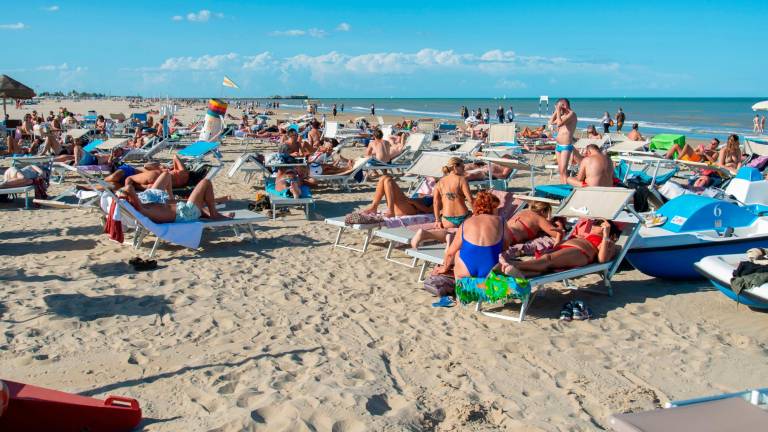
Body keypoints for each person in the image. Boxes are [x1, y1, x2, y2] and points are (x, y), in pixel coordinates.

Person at [500, 218, 620, 277]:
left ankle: (513, 265)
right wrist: (559, 236)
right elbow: (559, 247)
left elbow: (602, 260)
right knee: (544, 266)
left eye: (599, 224)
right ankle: (518, 272)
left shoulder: (609, 242)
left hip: (580, 253)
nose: (594, 224)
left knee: (547, 259)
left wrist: (606, 235)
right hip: (566, 249)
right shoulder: (586, 236)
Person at [434, 191, 509, 279]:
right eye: (496, 207)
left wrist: (444, 268)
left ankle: (460, 287)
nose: (498, 210)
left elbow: (450, 253)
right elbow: (506, 245)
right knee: (502, 254)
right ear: (492, 207)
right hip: (491, 269)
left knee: (458, 252)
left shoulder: (466, 223)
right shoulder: (501, 221)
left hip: (466, 270)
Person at [117, 172, 231, 223]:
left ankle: (213, 212)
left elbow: (129, 190)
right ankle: (214, 214)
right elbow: (129, 188)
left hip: (182, 212)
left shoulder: (143, 207)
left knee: (191, 200)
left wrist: (121, 195)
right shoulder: (141, 208)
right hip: (185, 213)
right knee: (205, 182)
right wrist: (124, 192)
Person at [362, 175, 433, 217]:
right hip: (405, 205)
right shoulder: (426, 190)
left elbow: (429, 210)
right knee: (383, 178)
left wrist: (414, 202)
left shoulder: (437, 196)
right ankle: (374, 207)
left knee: (388, 180)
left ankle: (390, 211)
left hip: (411, 209)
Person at [433, 157, 472, 228]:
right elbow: (470, 200)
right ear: (455, 167)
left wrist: (437, 220)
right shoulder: (462, 180)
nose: (464, 169)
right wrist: (476, 213)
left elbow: (436, 203)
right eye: (462, 166)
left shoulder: (439, 182)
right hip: (464, 217)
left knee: (450, 237)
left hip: (447, 218)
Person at [550, 98, 578, 184]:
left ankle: (566, 188)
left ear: (564, 105)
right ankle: (563, 185)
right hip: (558, 145)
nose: (559, 108)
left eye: (560, 106)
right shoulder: (562, 116)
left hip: (566, 146)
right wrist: (556, 111)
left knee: (563, 170)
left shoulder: (572, 114)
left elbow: (559, 124)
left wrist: (558, 111)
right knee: (560, 170)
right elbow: (551, 122)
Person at [125, 155, 190, 190]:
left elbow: (175, 157)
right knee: (145, 186)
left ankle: (126, 191)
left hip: (156, 175)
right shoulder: (182, 181)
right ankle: (137, 187)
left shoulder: (182, 172)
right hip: (160, 183)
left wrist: (172, 167)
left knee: (129, 178)